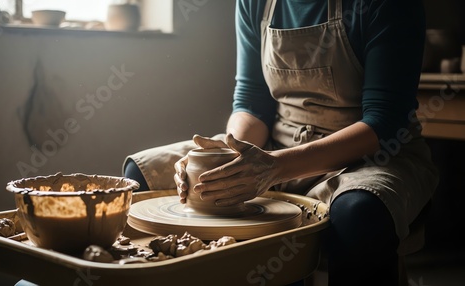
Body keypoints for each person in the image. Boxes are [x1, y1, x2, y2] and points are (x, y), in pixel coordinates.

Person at [123, 0, 439, 285]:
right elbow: (251, 103)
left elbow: (383, 124)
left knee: (358, 214)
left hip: (372, 155)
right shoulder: (254, 3)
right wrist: (232, 156)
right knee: (141, 175)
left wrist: (275, 168)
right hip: (274, 144)